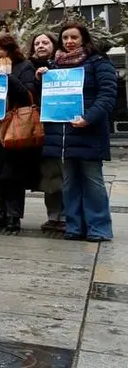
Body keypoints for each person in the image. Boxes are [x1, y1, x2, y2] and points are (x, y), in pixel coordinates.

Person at [37, 22, 116, 242]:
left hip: (88, 134)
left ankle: (98, 228)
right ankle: (74, 227)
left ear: (84, 39)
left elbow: (108, 96)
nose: (69, 42)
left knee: (93, 182)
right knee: (69, 183)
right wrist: (42, 77)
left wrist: (88, 118)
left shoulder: (99, 63)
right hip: (62, 136)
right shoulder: (54, 66)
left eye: (74, 38)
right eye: (65, 38)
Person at [0, 33, 39, 232]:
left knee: (13, 174)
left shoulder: (24, 66)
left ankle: (14, 215)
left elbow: (27, 96)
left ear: (9, 49)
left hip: (14, 126)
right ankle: (1, 212)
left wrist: (8, 77)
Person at [28, 31, 65, 231]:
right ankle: (53, 215)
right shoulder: (28, 67)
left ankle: (68, 215)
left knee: (66, 172)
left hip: (64, 126)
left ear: (54, 44)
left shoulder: (66, 64)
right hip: (40, 128)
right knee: (49, 173)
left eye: (45, 42)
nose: (40, 46)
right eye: (37, 43)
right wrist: (37, 79)